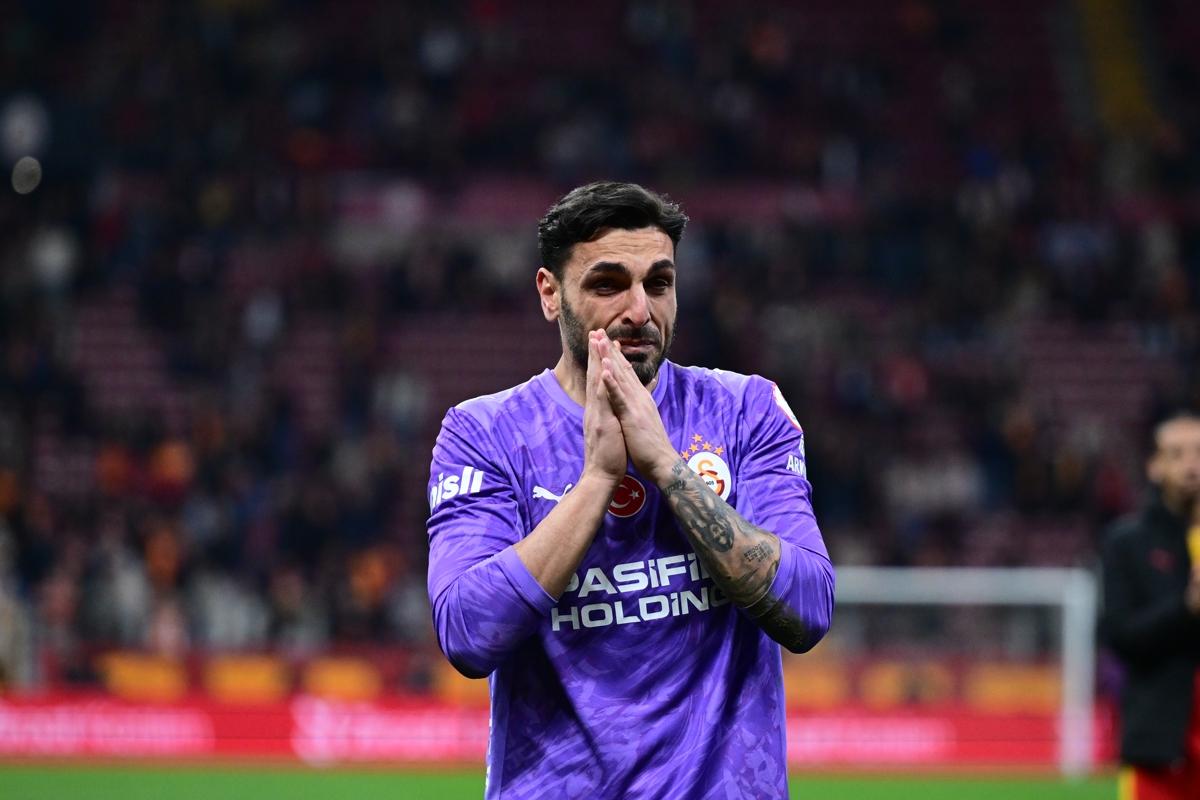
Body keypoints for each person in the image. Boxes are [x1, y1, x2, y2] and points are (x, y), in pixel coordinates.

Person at [425, 181, 835, 799]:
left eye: (659, 283)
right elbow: (467, 634)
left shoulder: (745, 411)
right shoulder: (486, 434)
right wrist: (597, 480)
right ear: (550, 294)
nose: (640, 310)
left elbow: (808, 609)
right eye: (608, 284)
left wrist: (667, 467)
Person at [1100, 412, 1200, 800]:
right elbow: (1120, 636)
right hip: (1159, 746)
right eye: (1177, 454)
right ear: (1155, 466)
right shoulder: (1127, 541)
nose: (1191, 466)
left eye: (1199, 453)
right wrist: (1186, 608)